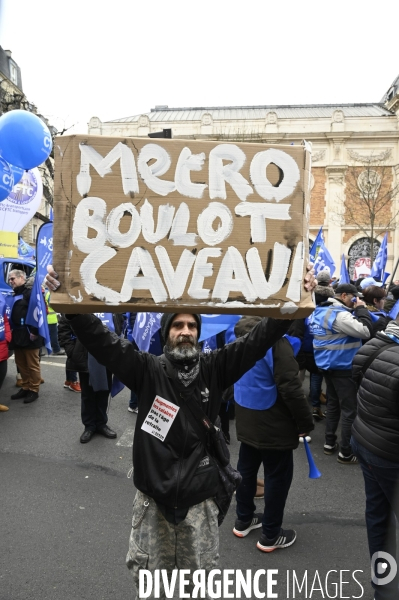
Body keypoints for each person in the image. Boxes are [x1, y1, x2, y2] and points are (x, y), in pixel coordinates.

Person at [45, 264, 315, 599]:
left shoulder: (217, 366)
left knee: (198, 587)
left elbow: (260, 339)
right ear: (166, 333)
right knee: (150, 586)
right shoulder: (146, 370)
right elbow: (102, 341)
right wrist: (68, 304)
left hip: (199, 507)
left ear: (198, 334)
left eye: (191, 325)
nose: (185, 330)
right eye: (177, 325)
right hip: (152, 506)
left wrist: (297, 299)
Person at [231, 316, 313, 552]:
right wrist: (304, 421)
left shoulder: (239, 337)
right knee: (277, 477)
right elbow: (290, 385)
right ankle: (271, 534)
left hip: (246, 415)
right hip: (273, 421)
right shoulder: (277, 342)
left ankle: (243, 519)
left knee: (246, 469)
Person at [352, 317, 399, 600]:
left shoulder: (373, 345)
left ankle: (383, 588)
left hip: (366, 441)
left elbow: (355, 379)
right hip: (390, 454)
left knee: (378, 518)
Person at [308, 283, 372, 464]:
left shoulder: (320, 311)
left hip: (327, 365)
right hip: (343, 367)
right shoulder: (340, 315)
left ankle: (329, 442)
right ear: (344, 295)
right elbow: (365, 330)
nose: (356, 300)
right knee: (349, 410)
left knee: (333, 406)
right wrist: (361, 310)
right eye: (354, 297)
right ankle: (346, 452)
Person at [58, 314, 118, 443]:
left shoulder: (109, 304)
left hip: (107, 354)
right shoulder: (80, 303)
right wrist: (72, 351)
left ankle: (101, 424)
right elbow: (64, 326)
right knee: (88, 394)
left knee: (103, 391)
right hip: (85, 357)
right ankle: (89, 426)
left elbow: (119, 324)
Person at [8, 270, 43, 404]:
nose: (11, 281)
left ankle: (34, 390)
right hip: (17, 334)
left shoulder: (30, 293)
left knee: (32, 365)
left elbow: (37, 312)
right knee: (21, 364)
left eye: (12, 279)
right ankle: (26, 386)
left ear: (21, 277)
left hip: (30, 334)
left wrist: (34, 331)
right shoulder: (16, 293)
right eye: (10, 279)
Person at [44, 288, 64, 355]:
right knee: (54, 335)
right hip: (51, 318)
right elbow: (52, 305)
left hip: (48, 317)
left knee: (49, 334)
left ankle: (40, 351)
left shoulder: (47, 293)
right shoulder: (50, 294)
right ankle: (56, 350)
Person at [0, 295, 12, 411]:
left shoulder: (1, 304)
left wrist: (7, 337)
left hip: (2, 347)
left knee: (1, 376)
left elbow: (5, 322)